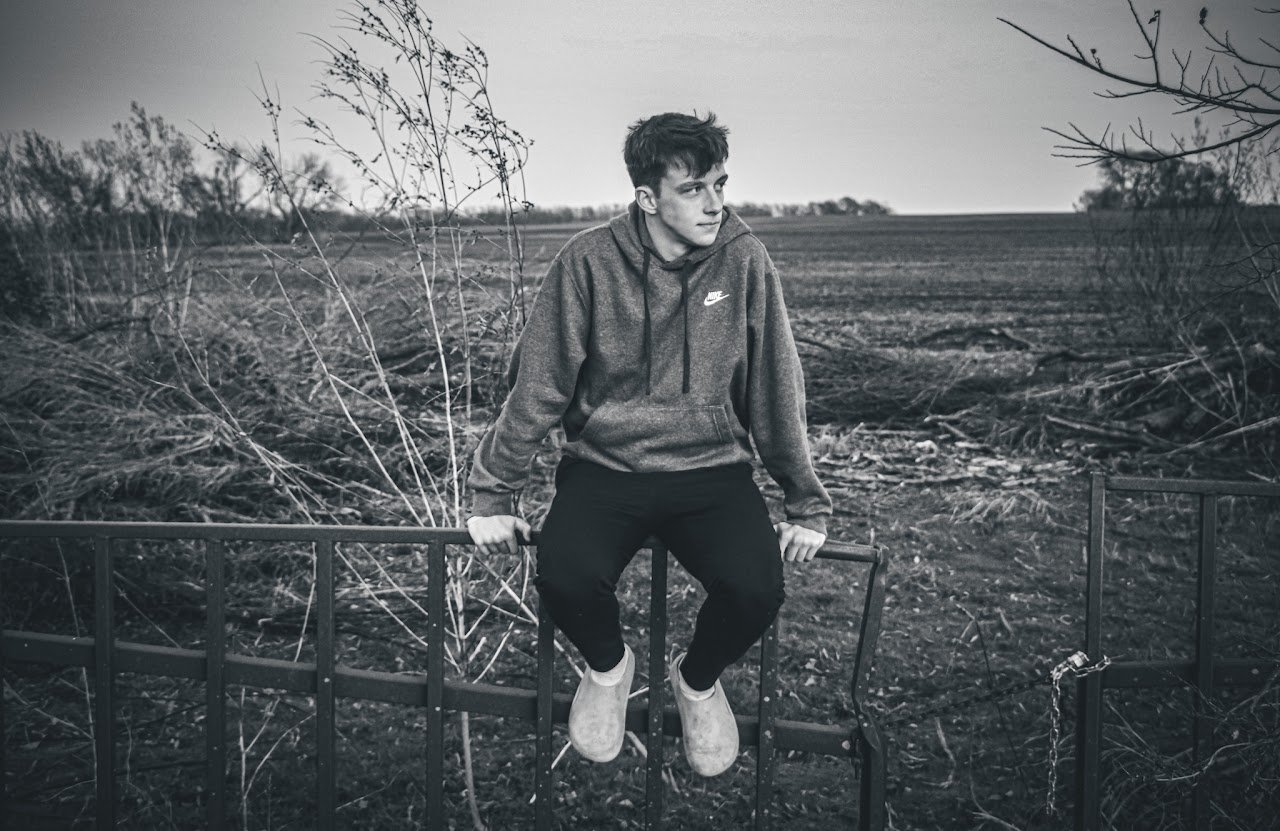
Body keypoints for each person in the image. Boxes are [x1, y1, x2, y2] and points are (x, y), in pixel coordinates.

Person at [465, 111, 831, 777]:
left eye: (721, 184)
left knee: (755, 586)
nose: (715, 203)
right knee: (564, 572)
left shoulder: (745, 259)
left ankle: (695, 683)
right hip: (606, 467)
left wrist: (805, 502)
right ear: (647, 198)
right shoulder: (587, 262)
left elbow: (777, 388)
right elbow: (539, 387)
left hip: (712, 470)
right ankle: (609, 669)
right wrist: (493, 491)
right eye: (693, 189)